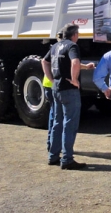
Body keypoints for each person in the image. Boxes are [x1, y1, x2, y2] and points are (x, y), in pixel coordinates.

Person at [41, 24, 95, 170]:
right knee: (70, 124)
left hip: (56, 88)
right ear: (74, 34)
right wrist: (74, 79)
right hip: (69, 90)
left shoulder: (55, 46)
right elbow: (74, 62)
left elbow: (45, 61)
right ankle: (67, 159)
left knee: (57, 122)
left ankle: (53, 156)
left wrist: (52, 79)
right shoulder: (72, 46)